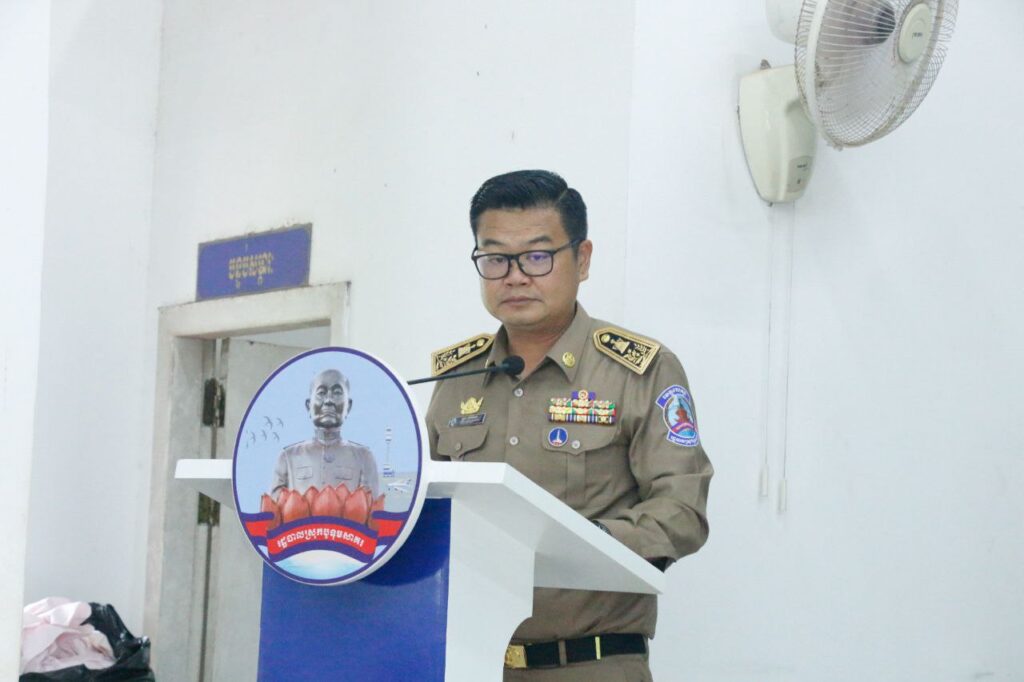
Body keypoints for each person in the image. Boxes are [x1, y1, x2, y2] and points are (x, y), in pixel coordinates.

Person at [425, 170, 713, 681]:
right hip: (470, 662)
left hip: (591, 662)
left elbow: (682, 511)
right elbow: (430, 508)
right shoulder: (456, 379)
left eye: (537, 257)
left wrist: (584, 544)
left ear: (582, 260)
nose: (515, 277)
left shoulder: (638, 371)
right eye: (495, 259)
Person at [270, 368, 380, 499]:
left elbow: (371, 506)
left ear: (348, 406)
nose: (328, 400)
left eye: (337, 393)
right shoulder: (288, 457)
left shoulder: (364, 457)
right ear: (308, 405)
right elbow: (274, 507)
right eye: (321, 393)